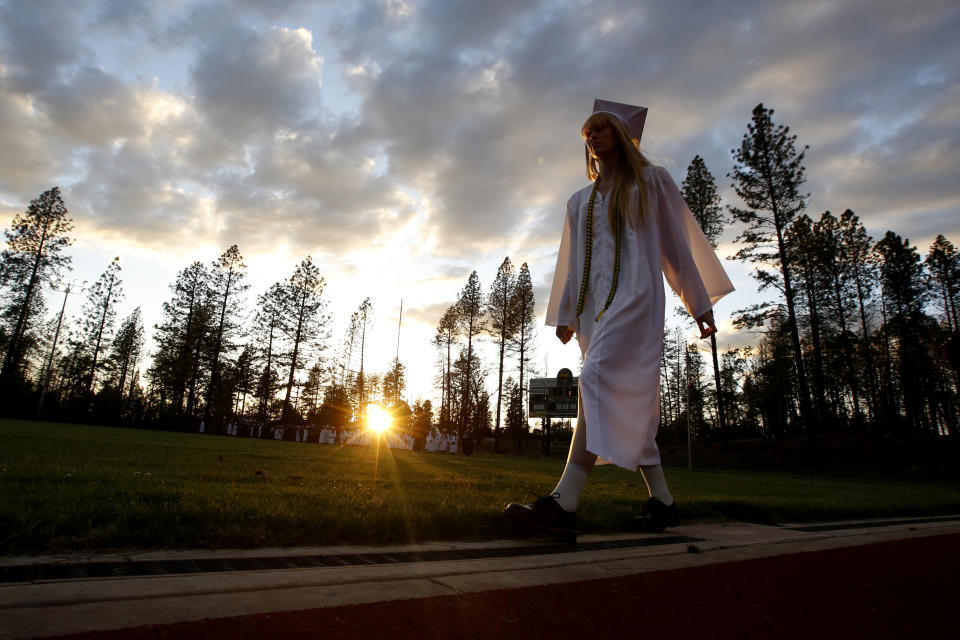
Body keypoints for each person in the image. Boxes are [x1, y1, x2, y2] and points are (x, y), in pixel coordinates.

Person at [504, 99, 733, 543]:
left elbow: (674, 248)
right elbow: (574, 263)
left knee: (597, 381)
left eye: (602, 128)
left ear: (625, 137)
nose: (592, 135)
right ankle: (663, 502)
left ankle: (563, 504)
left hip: (637, 298)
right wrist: (567, 313)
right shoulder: (579, 201)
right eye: (587, 131)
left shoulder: (650, 183)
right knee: (623, 400)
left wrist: (699, 303)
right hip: (594, 310)